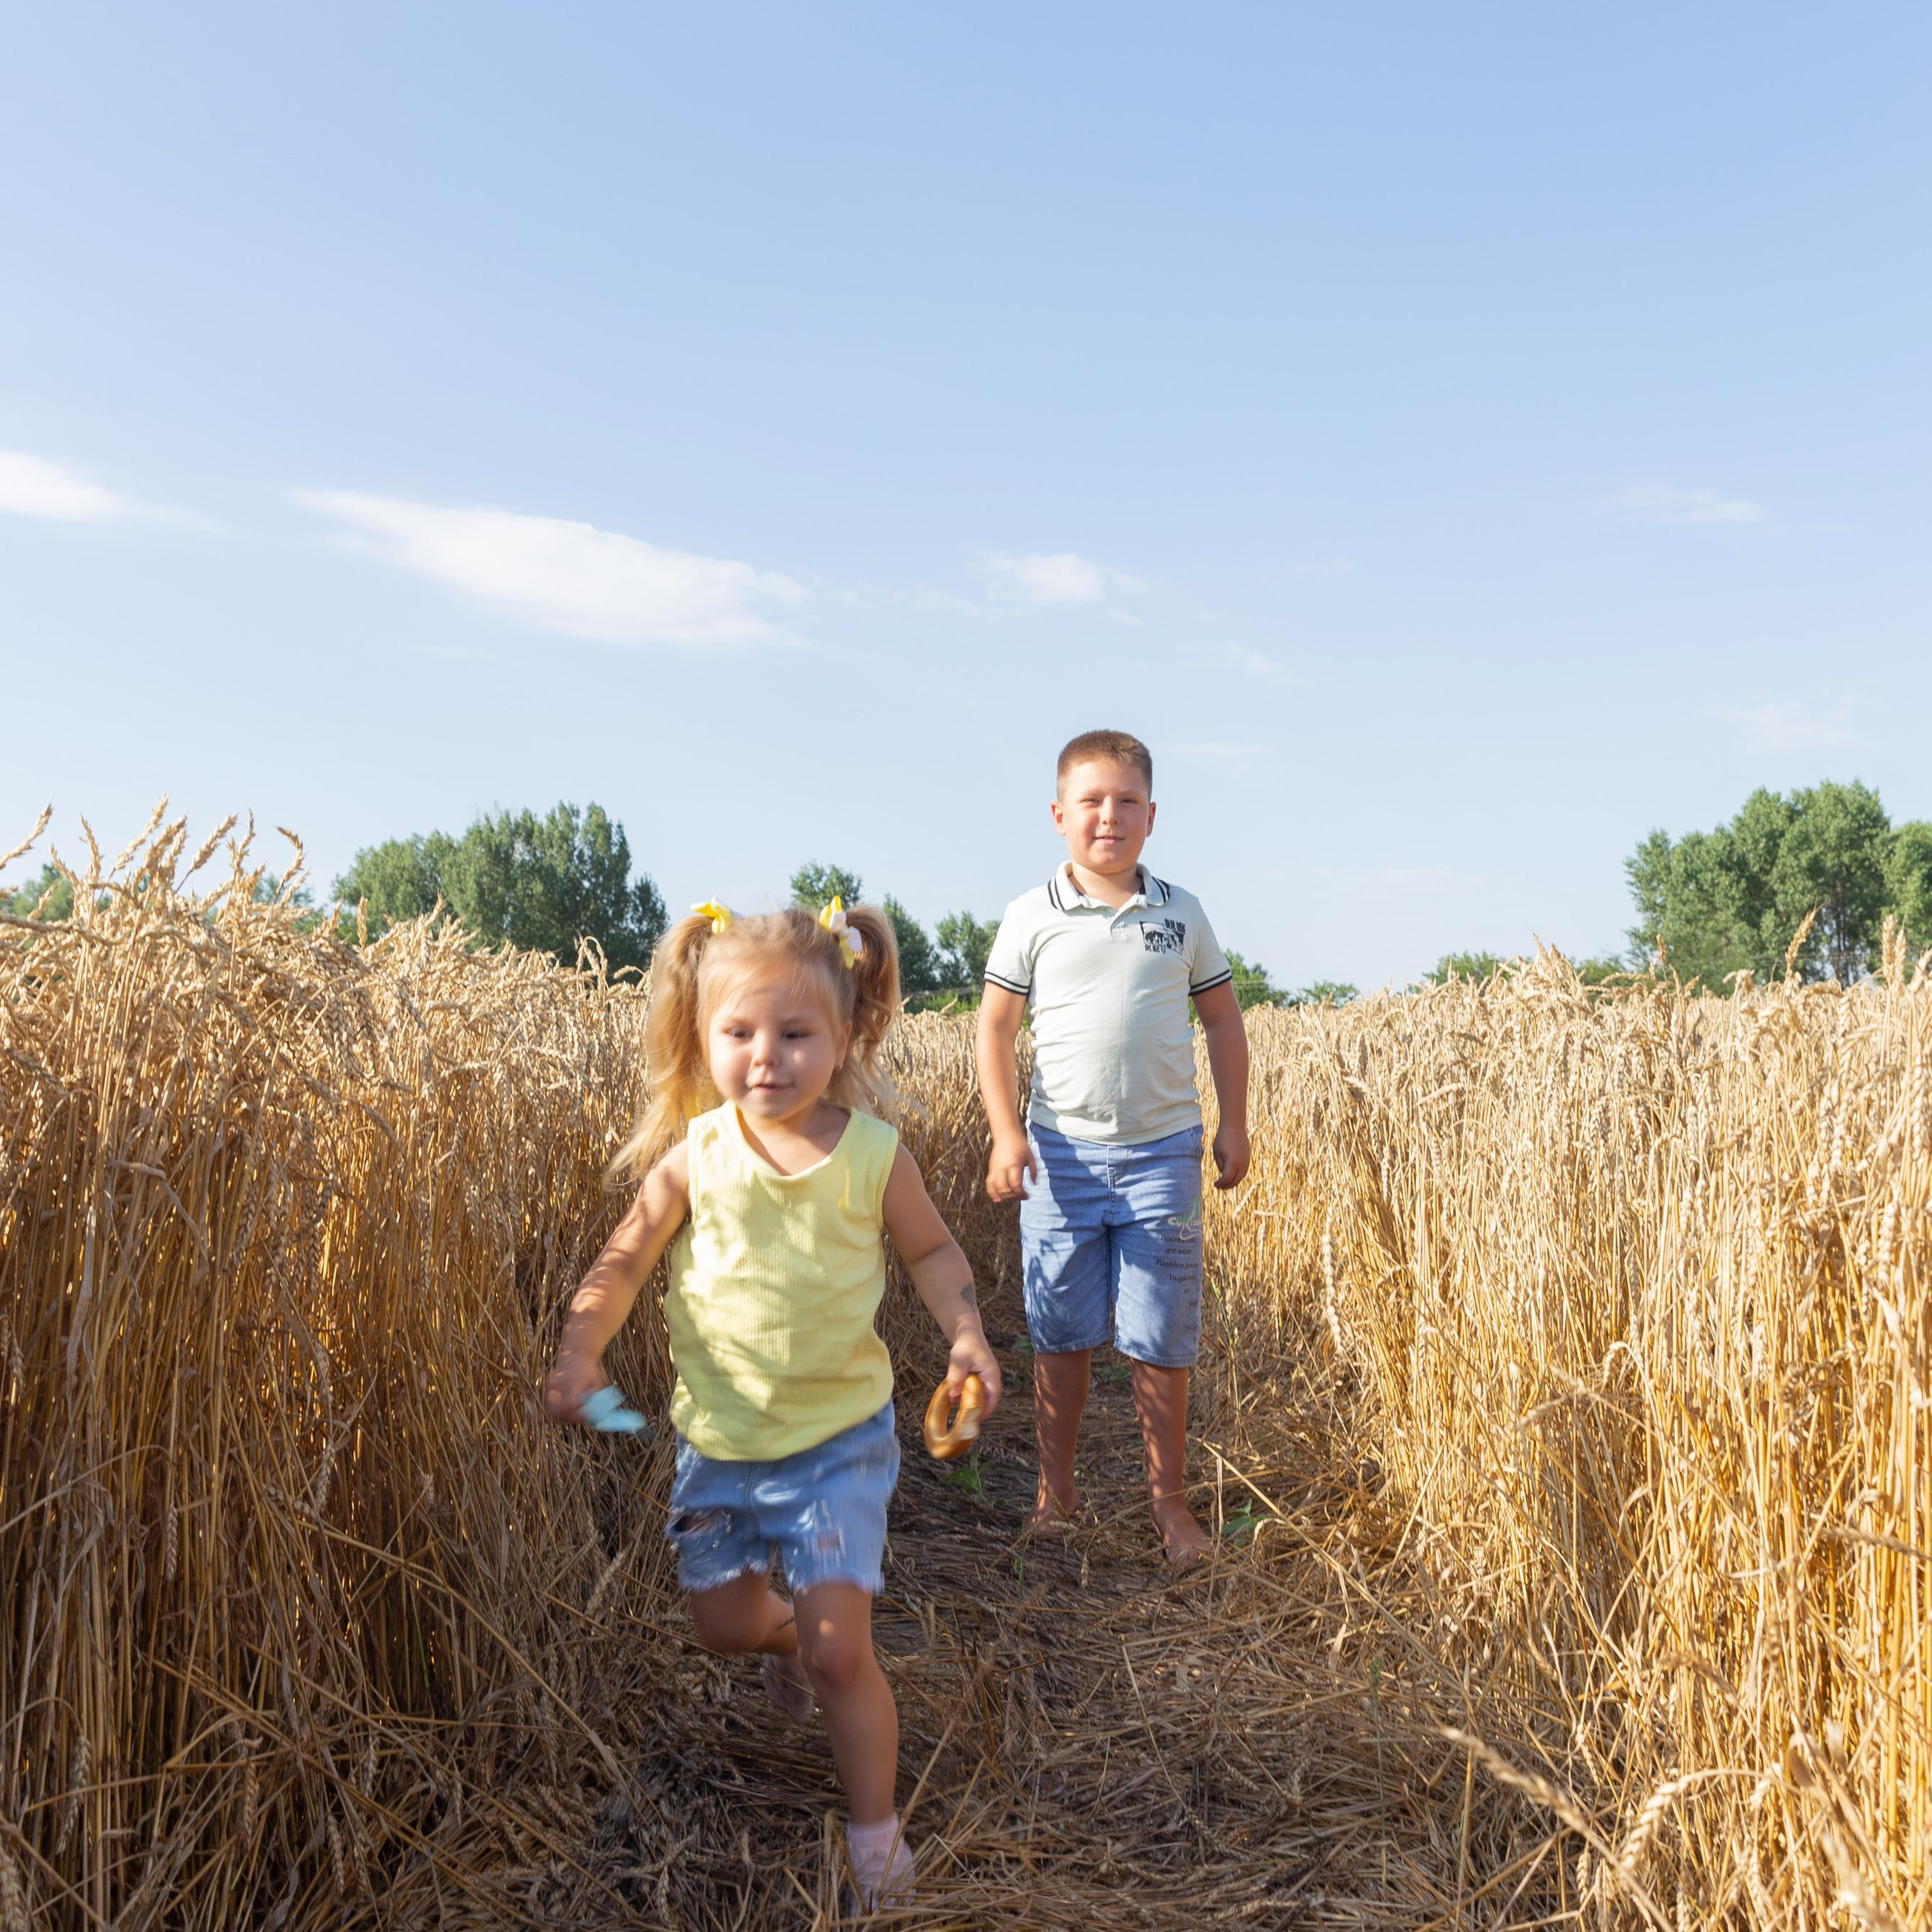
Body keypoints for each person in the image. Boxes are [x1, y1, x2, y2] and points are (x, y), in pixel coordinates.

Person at [545, 897, 1001, 1910]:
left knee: (845, 1655)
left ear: (845, 1035)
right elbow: (622, 1263)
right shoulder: (694, 1157)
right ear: (701, 1036)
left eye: (795, 1034)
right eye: (740, 1032)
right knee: (724, 1627)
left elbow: (933, 1251)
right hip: (721, 1445)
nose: (767, 1057)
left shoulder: (872, 1156)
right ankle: (788, 1639)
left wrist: (967, 1333)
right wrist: (580, 1350)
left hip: (839, 1445)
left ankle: (874, 1832)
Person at [975, 729, 1250, 1568]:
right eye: (1091, 801)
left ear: (1152, 817)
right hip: (1059, 1155)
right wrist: (1006, 1133)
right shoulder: (1031, 915)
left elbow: (1223, 1021)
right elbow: (995, 1028)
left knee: (1162, 1335)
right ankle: (1054, 1493)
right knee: (1060, 1333)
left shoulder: (1181, 913)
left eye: (1128, 801)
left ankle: (1169, 1503)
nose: (1109, 816)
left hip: (1163, 1153)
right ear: (1058, 814)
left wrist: (1233, 1122)